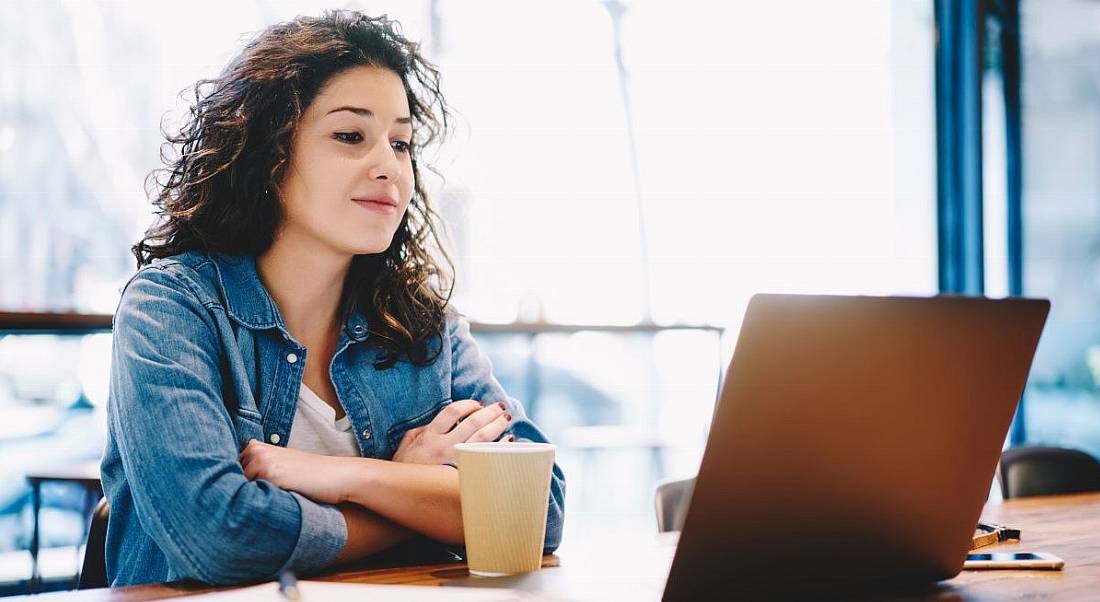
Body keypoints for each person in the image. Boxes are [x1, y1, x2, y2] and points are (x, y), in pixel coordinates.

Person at [101, 10, 565, 587]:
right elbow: (220, 539)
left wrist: (347, 476)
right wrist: (412, 494)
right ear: (267, 155)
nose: (389, 167)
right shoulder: (171, 308)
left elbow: (537, 510)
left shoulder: (422, 324)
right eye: (351, 136)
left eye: (400, 143)